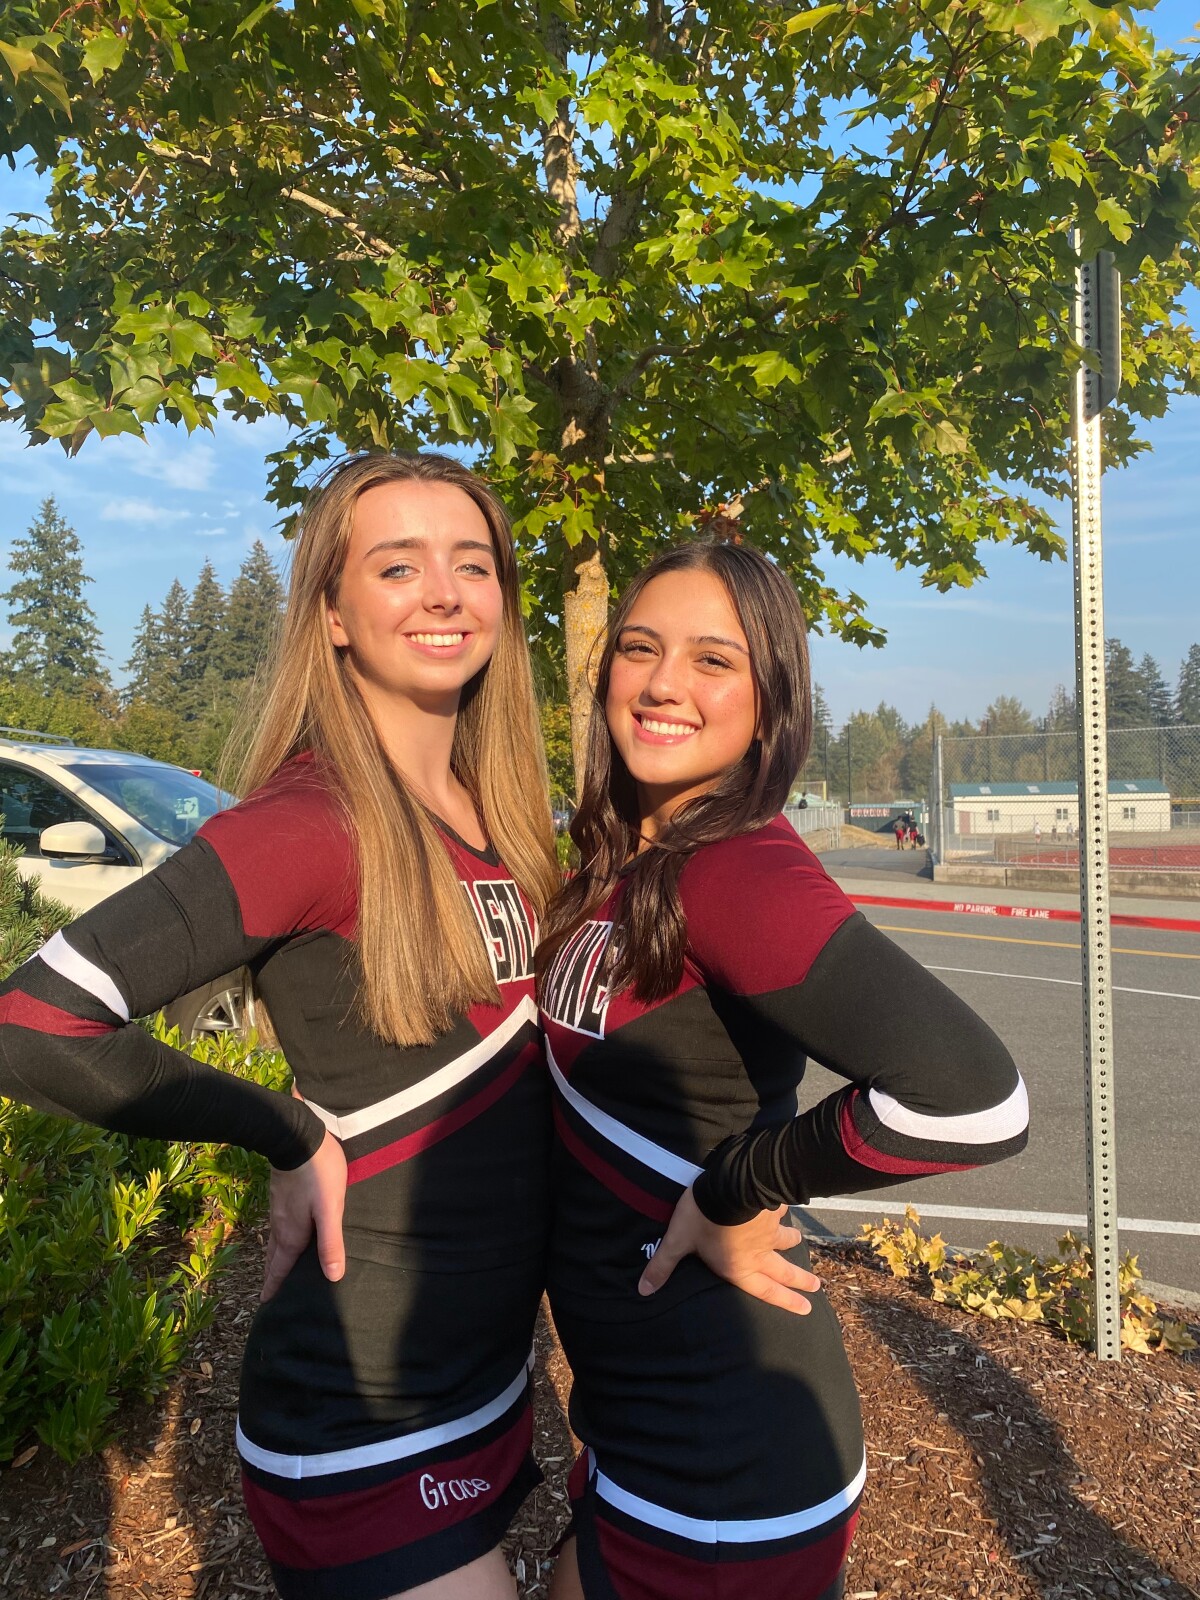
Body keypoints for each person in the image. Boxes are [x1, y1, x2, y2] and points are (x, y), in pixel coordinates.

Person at [0, 453, 561, 1600]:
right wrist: (286, 1131)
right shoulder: (310, 820)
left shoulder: (500, 816)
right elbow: (34, 1022)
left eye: (473, 563)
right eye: (397, 566)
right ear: (333, 613)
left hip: (488, 1379)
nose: (444, 592)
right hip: (367, 1418)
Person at [535, 539, 1029, 1600]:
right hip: (630, 1419)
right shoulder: (621, 859)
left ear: (771, 704)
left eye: (713, 660)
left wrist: (737, 1185)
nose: (663, 683)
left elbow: (977, 1101)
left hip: (725, 1462)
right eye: (639, 648)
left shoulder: (736, 869)